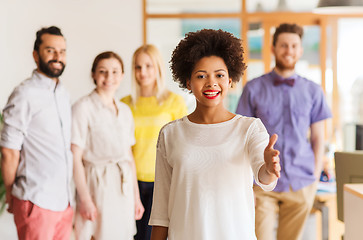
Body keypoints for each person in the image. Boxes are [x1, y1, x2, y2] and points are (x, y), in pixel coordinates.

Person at [149, 29, 281, 240]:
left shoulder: (249, 129)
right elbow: (161, 213)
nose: (211, 83)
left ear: (230, 80)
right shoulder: (170, 134)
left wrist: (269, 167)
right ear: (188, 82)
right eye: (201, 76)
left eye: (219, 75)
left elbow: (265, 179)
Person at [236, 23, 332, 240]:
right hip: (262, 183)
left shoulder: (313, 91)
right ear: (273, 48)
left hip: (301, 181)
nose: (288, 50)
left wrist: (315, 177)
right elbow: (242, 137)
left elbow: (318, 138)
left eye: (293, 46)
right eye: (283, 45)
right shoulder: (253, 88)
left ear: (300, 50)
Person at [0, 26, 73, 239]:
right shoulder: (24, 94)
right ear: (35, 54)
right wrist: (12, 193)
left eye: (62, 51)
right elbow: (9, 151)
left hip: (63, 202)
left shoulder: (63, 94)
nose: (57, 57)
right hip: (35, 200)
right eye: (50, 50)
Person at [72, 51, 144, 239]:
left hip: (123, 185)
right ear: (93, 74)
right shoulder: (83, 107)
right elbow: (74, 157)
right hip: (96, 184)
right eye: (103, 71)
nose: (109, 77)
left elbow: (129, 156)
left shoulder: (125, 111)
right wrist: (86, 199)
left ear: (122, 75)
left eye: (114, 71)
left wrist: (136, 198)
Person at [121, 44, 187, 240]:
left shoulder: (174, 102)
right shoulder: (124, 104)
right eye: (138, 67)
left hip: (162, 180)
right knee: (135, 236)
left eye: (148, 66)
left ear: (158, 67)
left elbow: (181, 144)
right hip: (131, 182)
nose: (143, 72)